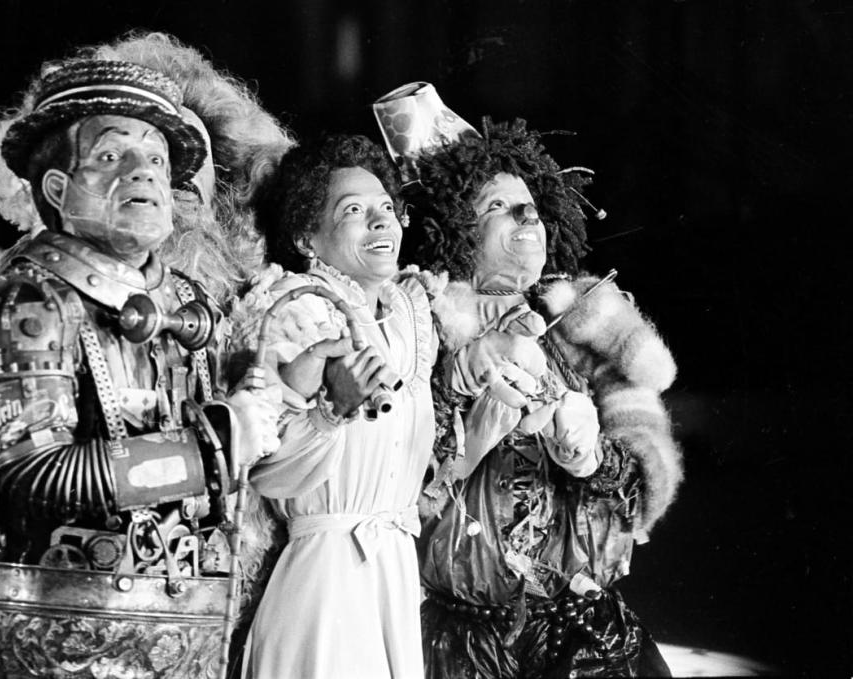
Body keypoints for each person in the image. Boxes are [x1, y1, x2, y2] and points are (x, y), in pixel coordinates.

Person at [0, 57, 278, 677]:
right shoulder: (27, 299)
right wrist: (214, 445)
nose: (144, 175)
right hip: (69, 633)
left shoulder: (188, 302)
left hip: (187, 626)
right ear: (56, 189)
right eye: (111, 157)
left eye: (156, 160)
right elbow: (32, 473)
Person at [374, 83, 681, 678]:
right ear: (453, 230)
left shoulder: (588, 332)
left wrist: (591, 458)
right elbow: (384, 480)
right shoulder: (417, 331)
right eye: (495, 207)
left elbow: (645, 488)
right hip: (462, 648)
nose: (525, 216)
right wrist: (465, 418)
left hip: (587, 640)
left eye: (530, 206)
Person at [229, 133, 544, 679]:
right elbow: (263, 472)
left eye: (385, 209)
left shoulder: (411, 311)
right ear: (308, 235)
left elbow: (422, 463)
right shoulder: (298, 310)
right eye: (353, 211)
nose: (381, 223)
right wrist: (330, 408)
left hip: (395, 576)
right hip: (327, 582)